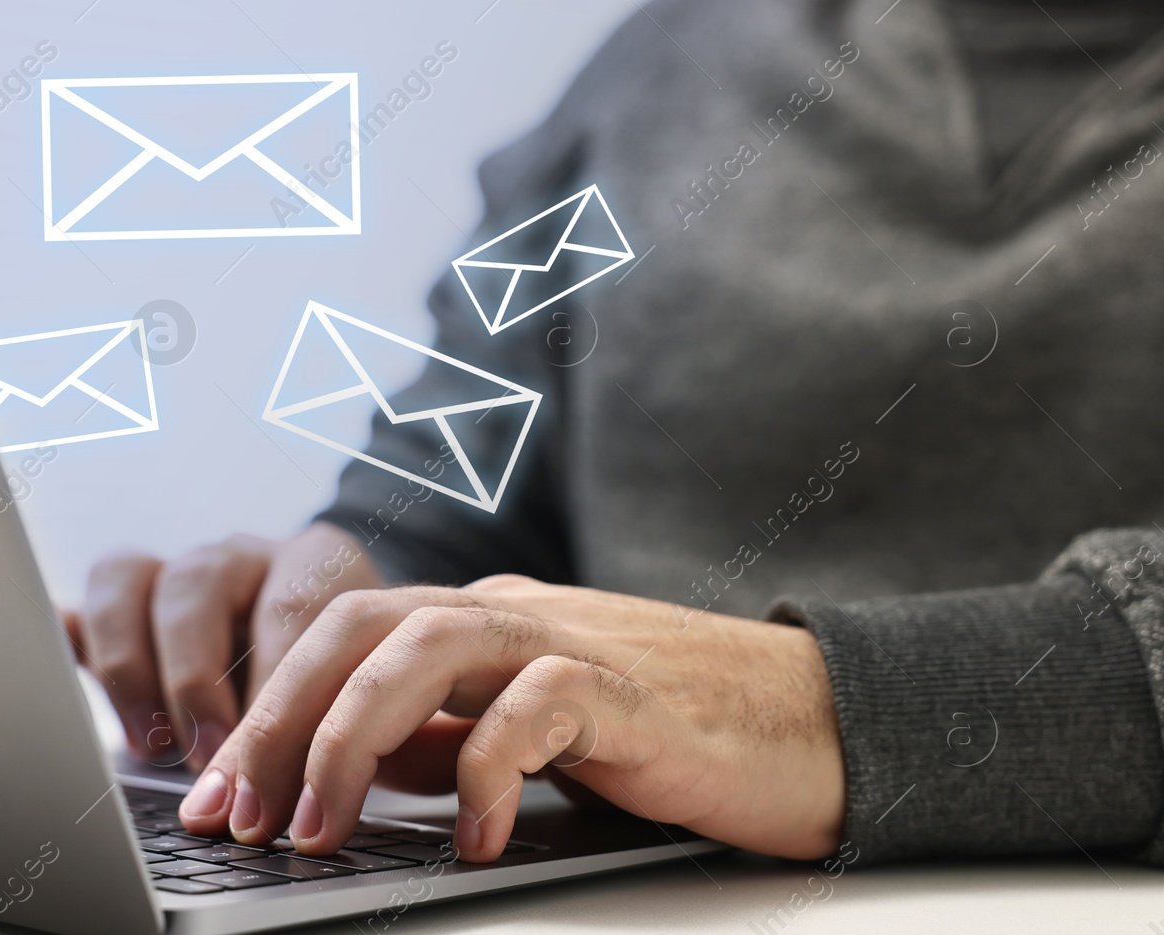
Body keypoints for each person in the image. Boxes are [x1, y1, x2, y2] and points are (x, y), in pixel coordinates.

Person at [64, 0, 1164, 867]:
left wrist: (832, 708)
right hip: (610, 920)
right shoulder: (654, 63)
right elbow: (452, 467)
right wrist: (352, 581)